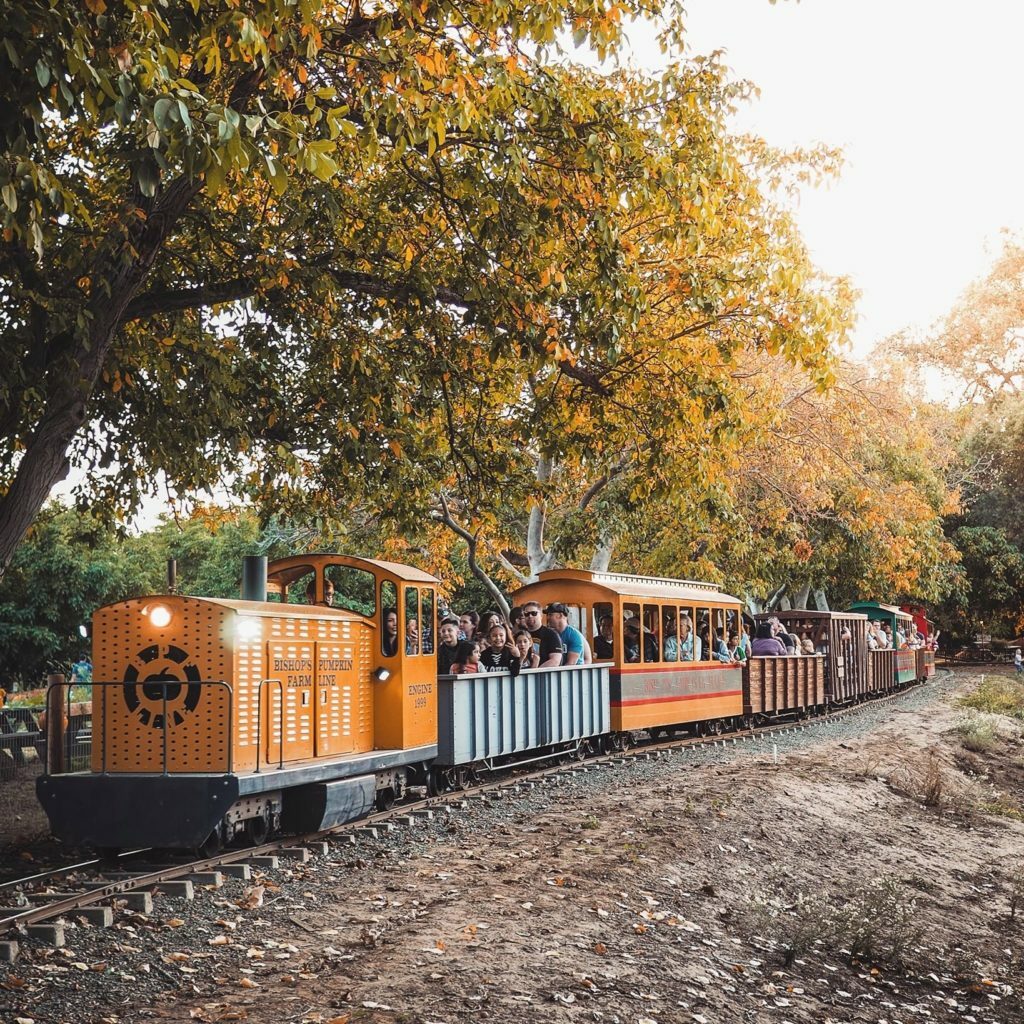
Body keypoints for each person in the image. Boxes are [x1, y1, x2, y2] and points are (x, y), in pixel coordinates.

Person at [522, 601, 564, 668]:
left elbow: (555, 660)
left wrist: (535, 672)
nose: (530, 616)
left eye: (534, 613)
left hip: (545, 675)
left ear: (541, 615)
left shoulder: (551, 634)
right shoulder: (521, 634)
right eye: (526, 614)